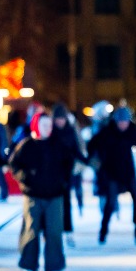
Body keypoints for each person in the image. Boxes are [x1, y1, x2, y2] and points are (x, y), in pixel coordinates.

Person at [10, 112, 74, 271]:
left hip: (55, 196)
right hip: (33, 196)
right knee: (31, 232)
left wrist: (63, 181)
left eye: (49, 125)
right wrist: (25, 178)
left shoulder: (58, 144)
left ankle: (55, 267)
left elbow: (69, 163)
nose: (48, 128)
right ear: (36, 126)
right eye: (44, 125)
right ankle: (29, 266)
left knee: (54, 232)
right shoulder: (27, 145)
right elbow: (14, 164)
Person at [88, 106, 136, 246]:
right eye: (121, 122)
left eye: (126, 122)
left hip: (129, 173)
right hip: (112, 173)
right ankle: (103, 231)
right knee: (110, 203)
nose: (124, 124)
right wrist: (94, 160)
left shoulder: (132, 131)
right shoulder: (107, 132)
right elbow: (92, 144)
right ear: (116, 121)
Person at [51, 104, 88, 248]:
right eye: (57, 119)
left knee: (66, 204)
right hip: (51, 174)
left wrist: (86, 160)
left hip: (66, 174)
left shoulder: (70, 131)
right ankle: (50, 232)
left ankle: (68, 232)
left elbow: (76, 150)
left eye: (62, 119)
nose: (60, 122)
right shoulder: (50, 132)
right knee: (51, 205)